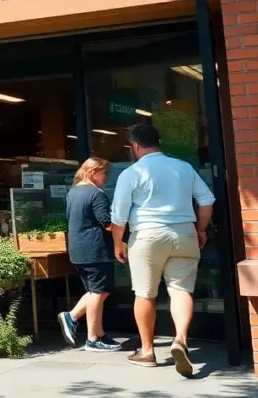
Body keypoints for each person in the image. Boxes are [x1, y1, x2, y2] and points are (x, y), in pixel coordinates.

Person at [111, 124, 215, 376]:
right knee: (181, 289)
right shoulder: (183, 167)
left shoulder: (132, 173)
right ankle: (180, 338)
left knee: (145, 293)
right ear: (159, 142)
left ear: (135, 146)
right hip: (183, 232)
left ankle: (147, 350)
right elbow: (207, 200)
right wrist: (201, 229)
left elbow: (119, 215)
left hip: (147, 235)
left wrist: (118, 243)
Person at [57, 157, 122, 352]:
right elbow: (107, 223)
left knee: (96, 291)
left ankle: (94, 330)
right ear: (93, 172)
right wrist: (124, 230)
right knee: (99, 292)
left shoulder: (73, 193)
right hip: (95, 250)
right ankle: (92, 338)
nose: (106, 178)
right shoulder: (96, 194)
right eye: (104, 173)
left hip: (78, 249)